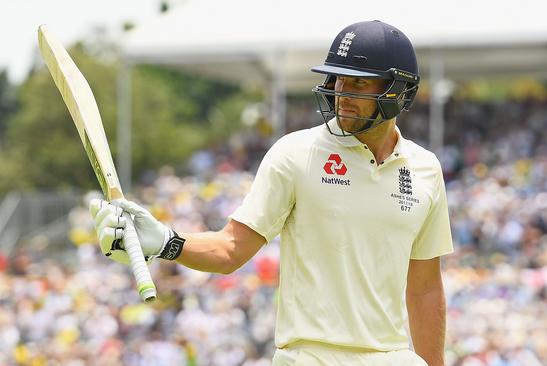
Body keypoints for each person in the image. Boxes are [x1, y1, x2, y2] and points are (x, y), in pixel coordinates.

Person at [91, 20, 454, 366]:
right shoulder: (295, 153)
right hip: (310, 356)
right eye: (339, 79)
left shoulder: (425, 169)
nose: (342, 94)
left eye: (359, 85)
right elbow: (229, 249)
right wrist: (168, 242)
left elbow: (424, 289)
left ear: (397, 91)